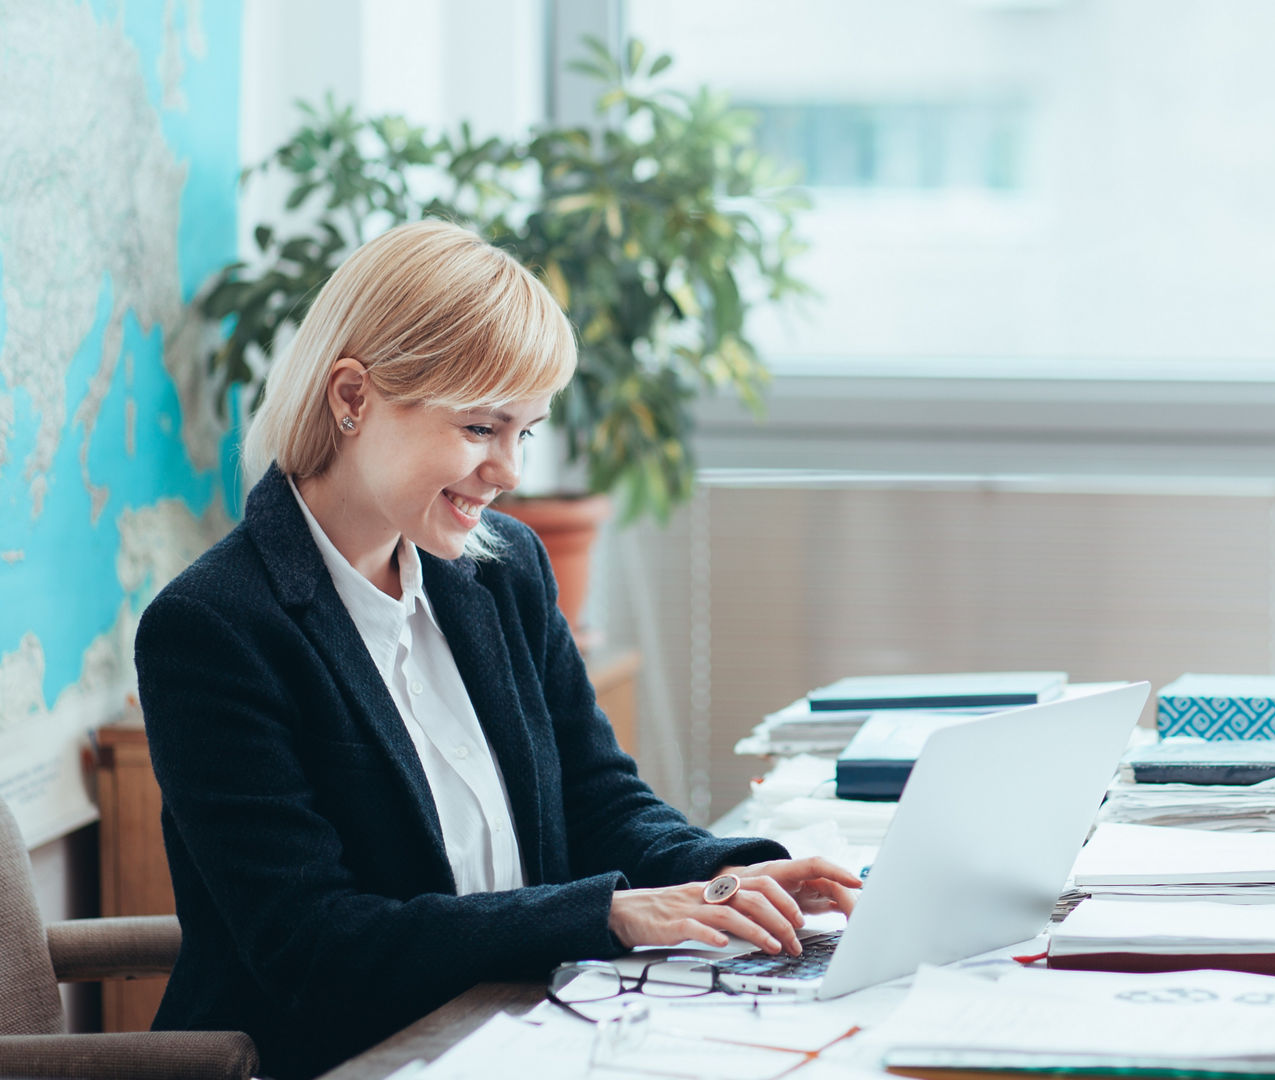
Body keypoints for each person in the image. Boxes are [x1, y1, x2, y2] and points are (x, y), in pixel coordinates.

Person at [135, 220, 860, 1080]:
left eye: (526, 429)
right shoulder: (213, 629)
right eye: (482, 427)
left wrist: (733, 876)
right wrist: (613, 916)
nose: (509, 469)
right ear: (352, 398)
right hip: (353, 1059)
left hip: (532, 1032)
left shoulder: (504, 570)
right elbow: (312, 942)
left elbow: (599, 799)